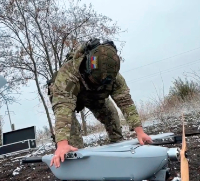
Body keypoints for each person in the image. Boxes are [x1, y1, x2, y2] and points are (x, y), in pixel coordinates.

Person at [49, 39, 152, 168]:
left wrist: (139, 131)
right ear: (88, 69)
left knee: (111, 115)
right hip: (69, 97)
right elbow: (63, 108)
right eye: (96, 80)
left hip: (95, 96)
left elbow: (125, 102)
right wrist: (62, 143)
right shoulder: (69, 74)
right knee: (73, 140)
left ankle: (119, 152)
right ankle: (79, 171)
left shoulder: (114, 77)